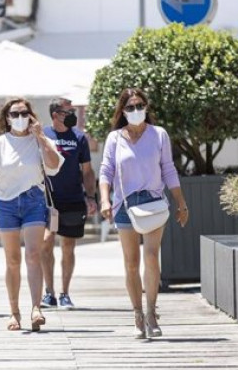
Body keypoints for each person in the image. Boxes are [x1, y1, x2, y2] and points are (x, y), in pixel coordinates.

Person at [98, 88, 189, 339]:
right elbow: (106, 171)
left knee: (151, 256)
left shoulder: (158, 135)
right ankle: (137, 313)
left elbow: (169, 169)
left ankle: (151, 312)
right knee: (130, 263)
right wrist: (105, 199)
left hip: (153, 201)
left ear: (146, 108)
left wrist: (181, 202)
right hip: (124, 203)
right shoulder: (115, 138)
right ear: (122, 111)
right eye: (130, 107)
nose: (135, 111)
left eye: (139, 106)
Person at [0, 98, 64, 332]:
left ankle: (36, 308)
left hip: (33, 199)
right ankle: (14, 312)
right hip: (5, 203)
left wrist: (42, 137)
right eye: (14, 114)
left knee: (34, 254)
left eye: (23, 113)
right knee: (13, 260)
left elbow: (55, 165)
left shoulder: (39, 141)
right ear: (6, 118)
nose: (19, 118)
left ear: (31, 115)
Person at [40, 98, 98, 310]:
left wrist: (91, 197)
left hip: (73, 198)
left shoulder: (79, 138)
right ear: (56, 114)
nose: (73, 114)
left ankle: (64, 293)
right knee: (46, 243)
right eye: (69, 111)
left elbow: (88, 171)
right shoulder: (44, 135)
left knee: (68, 246)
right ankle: (49, 293)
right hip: (49, 200)